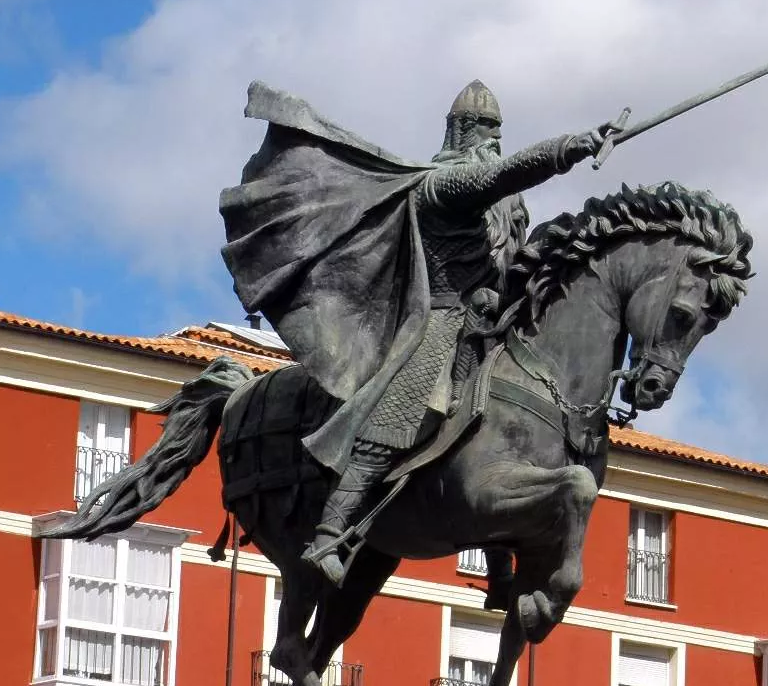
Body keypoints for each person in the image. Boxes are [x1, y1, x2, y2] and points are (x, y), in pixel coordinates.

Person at [219, 79, 621, 586]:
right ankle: (330, 528)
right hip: (440, 319)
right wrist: (573, 146)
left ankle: (503, 549)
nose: (493, 138)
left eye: (499, 129)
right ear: (463, 131)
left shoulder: (509, 205)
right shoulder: (443, 185)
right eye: (486, 129)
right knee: (406, 407)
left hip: (493, 323)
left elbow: (514, 257)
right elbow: (505, 171)